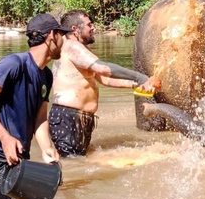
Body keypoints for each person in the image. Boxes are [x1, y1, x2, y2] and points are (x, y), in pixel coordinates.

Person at [0, 14, 71, 199]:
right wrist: (5, 138)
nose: (64, 42)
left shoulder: (46, 75)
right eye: (62, 35)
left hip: (19, 156)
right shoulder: (13, 64)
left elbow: (40, 117)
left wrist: (46, 148)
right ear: (51, 36)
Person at [49, 10, 159, 157]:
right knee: (72, 163)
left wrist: (135, 85)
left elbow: (104, 79)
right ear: (75, 29)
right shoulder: (72, 47)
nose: (93, 27)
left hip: (76, 118)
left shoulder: (80, 49)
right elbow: (103, 69)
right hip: (68, 118)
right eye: (89, 24)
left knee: (79, 161)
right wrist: (141, 78)